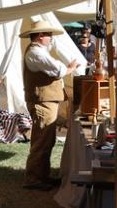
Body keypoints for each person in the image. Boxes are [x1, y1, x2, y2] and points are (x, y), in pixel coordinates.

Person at [20, 20, 80, 191]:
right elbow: (58, 69)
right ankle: (33, 179)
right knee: (41, 141)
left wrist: (66, 68)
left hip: (46, 102)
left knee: (47, 140)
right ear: (40, 36)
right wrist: (70, 68)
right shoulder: (36, 53)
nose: (51, 38)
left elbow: (56, 68)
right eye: (48, 35)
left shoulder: (38, 52)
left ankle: (42, 176)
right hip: (42, 102)